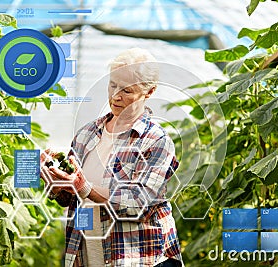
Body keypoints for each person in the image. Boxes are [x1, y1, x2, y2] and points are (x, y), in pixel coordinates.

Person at [40, 48, 183, 267]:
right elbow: (69, 198)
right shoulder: (87, 134)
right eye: (113, 85)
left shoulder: (156, 141)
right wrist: (55, 180)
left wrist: (83, 186)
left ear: (149, 92)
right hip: (88, 251)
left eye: (127, 90)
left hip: (139, 257)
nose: (116, 96)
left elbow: (136, 203)